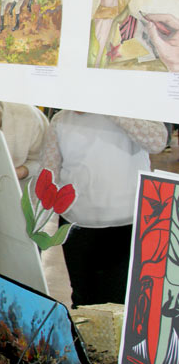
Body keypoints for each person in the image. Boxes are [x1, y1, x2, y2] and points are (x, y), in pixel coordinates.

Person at [41, 111, 167, 307]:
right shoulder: (60, 120)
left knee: (122, 300)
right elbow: (50, 173)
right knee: (84, 299)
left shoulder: (128, 107)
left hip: (128, 223)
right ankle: (84, 337)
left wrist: (111, 110)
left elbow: (157, 141)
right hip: (77, 225)